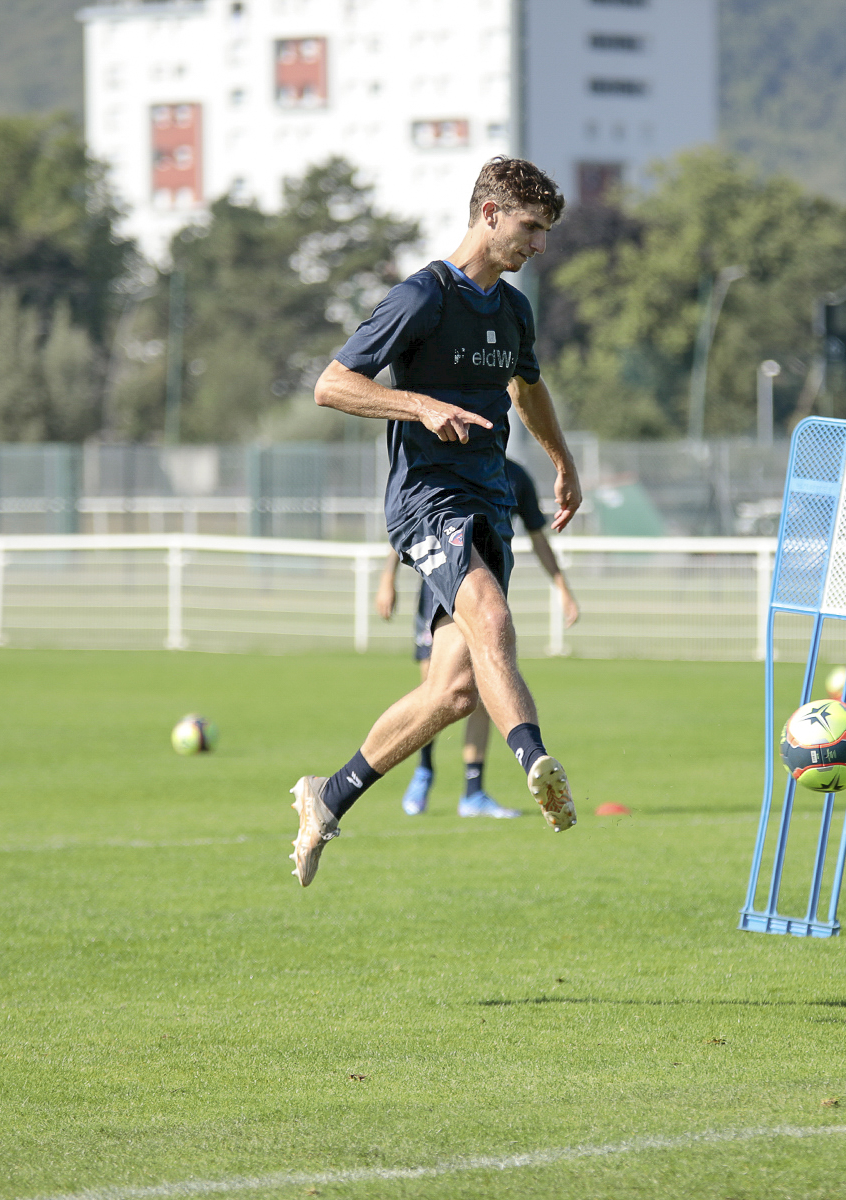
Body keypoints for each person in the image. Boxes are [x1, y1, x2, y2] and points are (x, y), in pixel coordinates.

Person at [287, 157, 581, 886]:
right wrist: (419, 404)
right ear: (489, 214)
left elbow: (528, 386)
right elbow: (331, 383)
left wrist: (563, 460)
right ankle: (533, 759)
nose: (539, 244)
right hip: (428, 497)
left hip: (489, 500)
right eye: (531, 228)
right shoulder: (422, 296)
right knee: (494, 618)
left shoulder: (513, 309)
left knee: (453, 692)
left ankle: (329, 794)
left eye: (545, 231)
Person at [377, 455, 580, 818]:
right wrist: (386, 578)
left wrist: (562, 587)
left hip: (486, 596)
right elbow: (409, 517)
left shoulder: (516, 477)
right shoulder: (446, 462)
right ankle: (424, 770)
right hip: (437, 589)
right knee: (434, 689)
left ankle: (473, 790)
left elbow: (538, 538)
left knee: (486, 685)